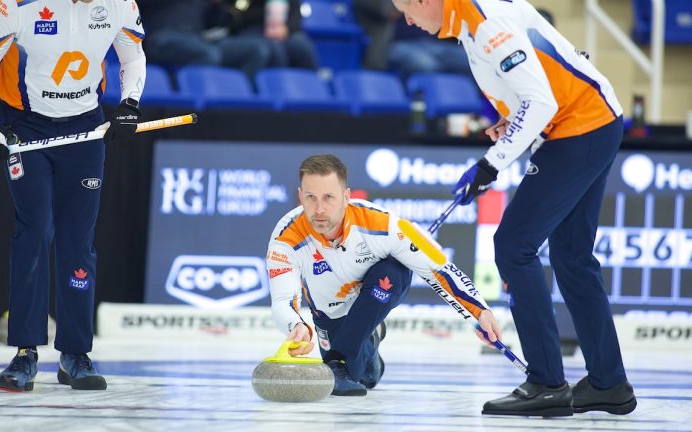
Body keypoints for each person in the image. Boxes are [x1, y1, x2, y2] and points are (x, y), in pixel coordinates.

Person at [391, 0, 636, 417]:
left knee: (513, 245)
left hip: (579, 126)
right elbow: (536, 82)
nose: (408, 21)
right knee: (572, 257)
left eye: (407, 10)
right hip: (591, 120)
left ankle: (546, 382)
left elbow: (540, 101)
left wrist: (490, 163)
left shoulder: (484, 22)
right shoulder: (468, 19)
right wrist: (512, 119)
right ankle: (608, 384)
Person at [0, 0, 146, 392]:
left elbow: (133, 58)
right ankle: (24, 352)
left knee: (77, 241)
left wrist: (129, 104)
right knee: (34, 232)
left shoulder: (118, 5)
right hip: (25, 129)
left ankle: (75, 354)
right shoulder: (16, 7)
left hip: (85, 130)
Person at [265, 154, 501, 396]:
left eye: (329, 197)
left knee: (387, 275)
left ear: (347, 197)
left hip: (380, 289)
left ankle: (341, 355)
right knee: (365, 377)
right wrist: (297, 325)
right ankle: (371, 338)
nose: (319, 209)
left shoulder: (384, 224)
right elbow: (283, 301)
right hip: (330, 313)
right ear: (299, 196)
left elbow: (439, 267)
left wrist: (480, 311)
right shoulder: (286, 237)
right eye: (311, 197)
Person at [140, 0, 270, 82]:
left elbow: (218, 22)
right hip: (162, 36)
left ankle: (235, 98)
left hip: (198, 39)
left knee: (256, 50)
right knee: (207, 54)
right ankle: (178, 93)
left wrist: (218, 5)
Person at [222, 0, 318, 70]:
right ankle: (280, 88)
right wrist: (267, 16)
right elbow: (236, 15)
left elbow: (295, 11)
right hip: (252, 27)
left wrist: (287, 29)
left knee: (301, 44)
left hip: (284, 27)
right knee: (275, 49)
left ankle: (312, 88)